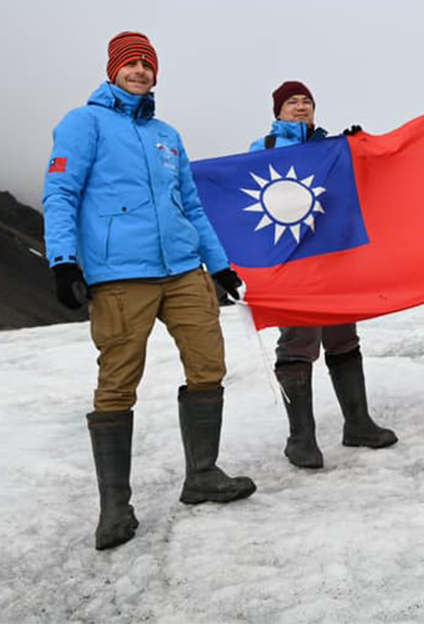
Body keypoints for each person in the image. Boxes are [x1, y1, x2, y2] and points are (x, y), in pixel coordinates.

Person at [43, 31, 256, 551]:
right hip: (119, 274)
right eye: (131, 64)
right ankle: (115, 507)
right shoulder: (84, 123)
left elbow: (193, 205)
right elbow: (61, 190)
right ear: (113, 69)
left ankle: (201, 475)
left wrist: (220, 266)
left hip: (183, 269)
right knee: (117, 383)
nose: (140, 71)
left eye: (147, 65)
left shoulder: (168, 134)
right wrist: (63, 260)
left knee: (208, 366)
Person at [248, 81, 397, 469]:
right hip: (291, 262)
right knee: (299, 341)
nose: (301, 107)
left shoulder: (332, 147)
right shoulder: (260, 150)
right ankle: (301, 439)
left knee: (343, 335)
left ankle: (358, 423)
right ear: (277, 111)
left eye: (307, 102)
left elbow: (359, 187)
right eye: (292, 103)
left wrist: (357, 150)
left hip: (333, 258)